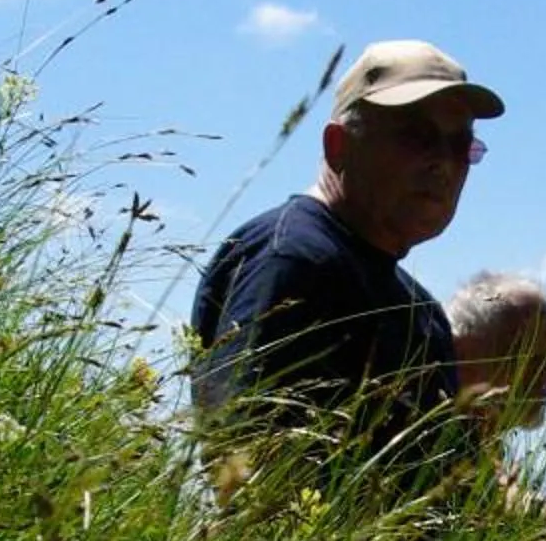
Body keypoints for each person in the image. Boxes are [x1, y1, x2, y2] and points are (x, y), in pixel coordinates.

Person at [190, 41, 501, 504]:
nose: (445, 162)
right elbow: (248, 478)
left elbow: (449, 498)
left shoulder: (420, 311)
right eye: (417, 136)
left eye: (461, 144)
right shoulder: (293, 261)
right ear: (338, 145)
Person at [445, 271, 546, 440]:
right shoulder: (418, 447)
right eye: (524, 359)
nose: (543, 380)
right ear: (463, 353)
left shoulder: (484, 455)